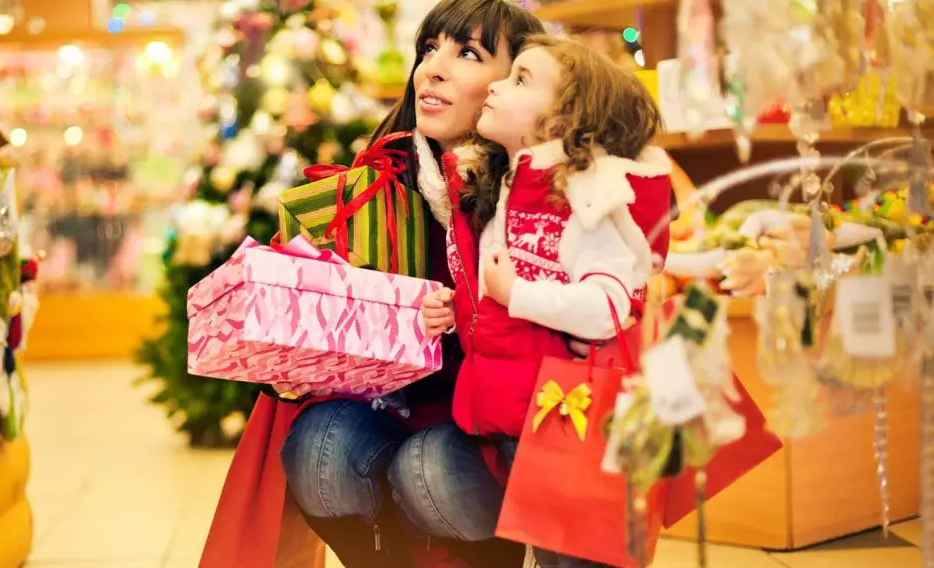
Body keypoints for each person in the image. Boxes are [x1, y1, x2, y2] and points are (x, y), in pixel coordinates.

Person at [201, 1, 548, 567]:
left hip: (487, 424)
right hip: (391, 406)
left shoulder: (534, 191)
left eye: (467, 53)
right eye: (429, 49)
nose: (433, 68)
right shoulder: (378, 183)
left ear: (517, 82)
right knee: (319, 449)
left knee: (428, 470)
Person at [421, 35, 670, 567]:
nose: (496, 85)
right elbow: (492, 288)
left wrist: (518, 295)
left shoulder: (581, 193)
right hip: (518, 416)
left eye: (520, 80)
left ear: (563, 120)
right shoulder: (507, 185)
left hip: (564, 418)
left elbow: (610, 305)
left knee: (576, 554)